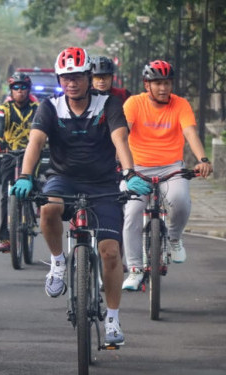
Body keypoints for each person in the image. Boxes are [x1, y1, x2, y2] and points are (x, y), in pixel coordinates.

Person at [11, 47, 136, 345]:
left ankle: (113, 319)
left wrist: (130, 173)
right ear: (59, 79)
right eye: (66, 78)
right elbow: (35, 143)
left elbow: (120, 138)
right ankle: (57, 262)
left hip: (104, 183)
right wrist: (26, 176)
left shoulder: (109, 104)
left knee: (110, 252)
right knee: (48, 210)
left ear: (89, 77)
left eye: (78, 77)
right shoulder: (50, 107)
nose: (72, 83)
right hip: (63, 179)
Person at [120, 60, 213, 291]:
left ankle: (173, 237)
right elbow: (123, 133)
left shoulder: (180, 104)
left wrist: (202, 159)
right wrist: (124, 168)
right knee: (132, 213)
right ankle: (134, 269)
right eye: (158, 83)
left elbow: (190, 132)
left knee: (180, 200)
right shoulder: (133, 103)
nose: (163, 88)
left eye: (167, 83)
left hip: (171, 168)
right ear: (147, 85)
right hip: (138, 168)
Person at [0, 72, 40, 253]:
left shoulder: (37, 108)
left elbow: (44, 127)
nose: (20, 91)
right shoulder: (3, 109)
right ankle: (5, 237)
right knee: (6, 195)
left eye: (23, 88)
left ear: (29, 90)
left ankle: (38, 208)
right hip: (9, 154)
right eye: (16, 88)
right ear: (11, 90)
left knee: (35, 184)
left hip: (31, 153)